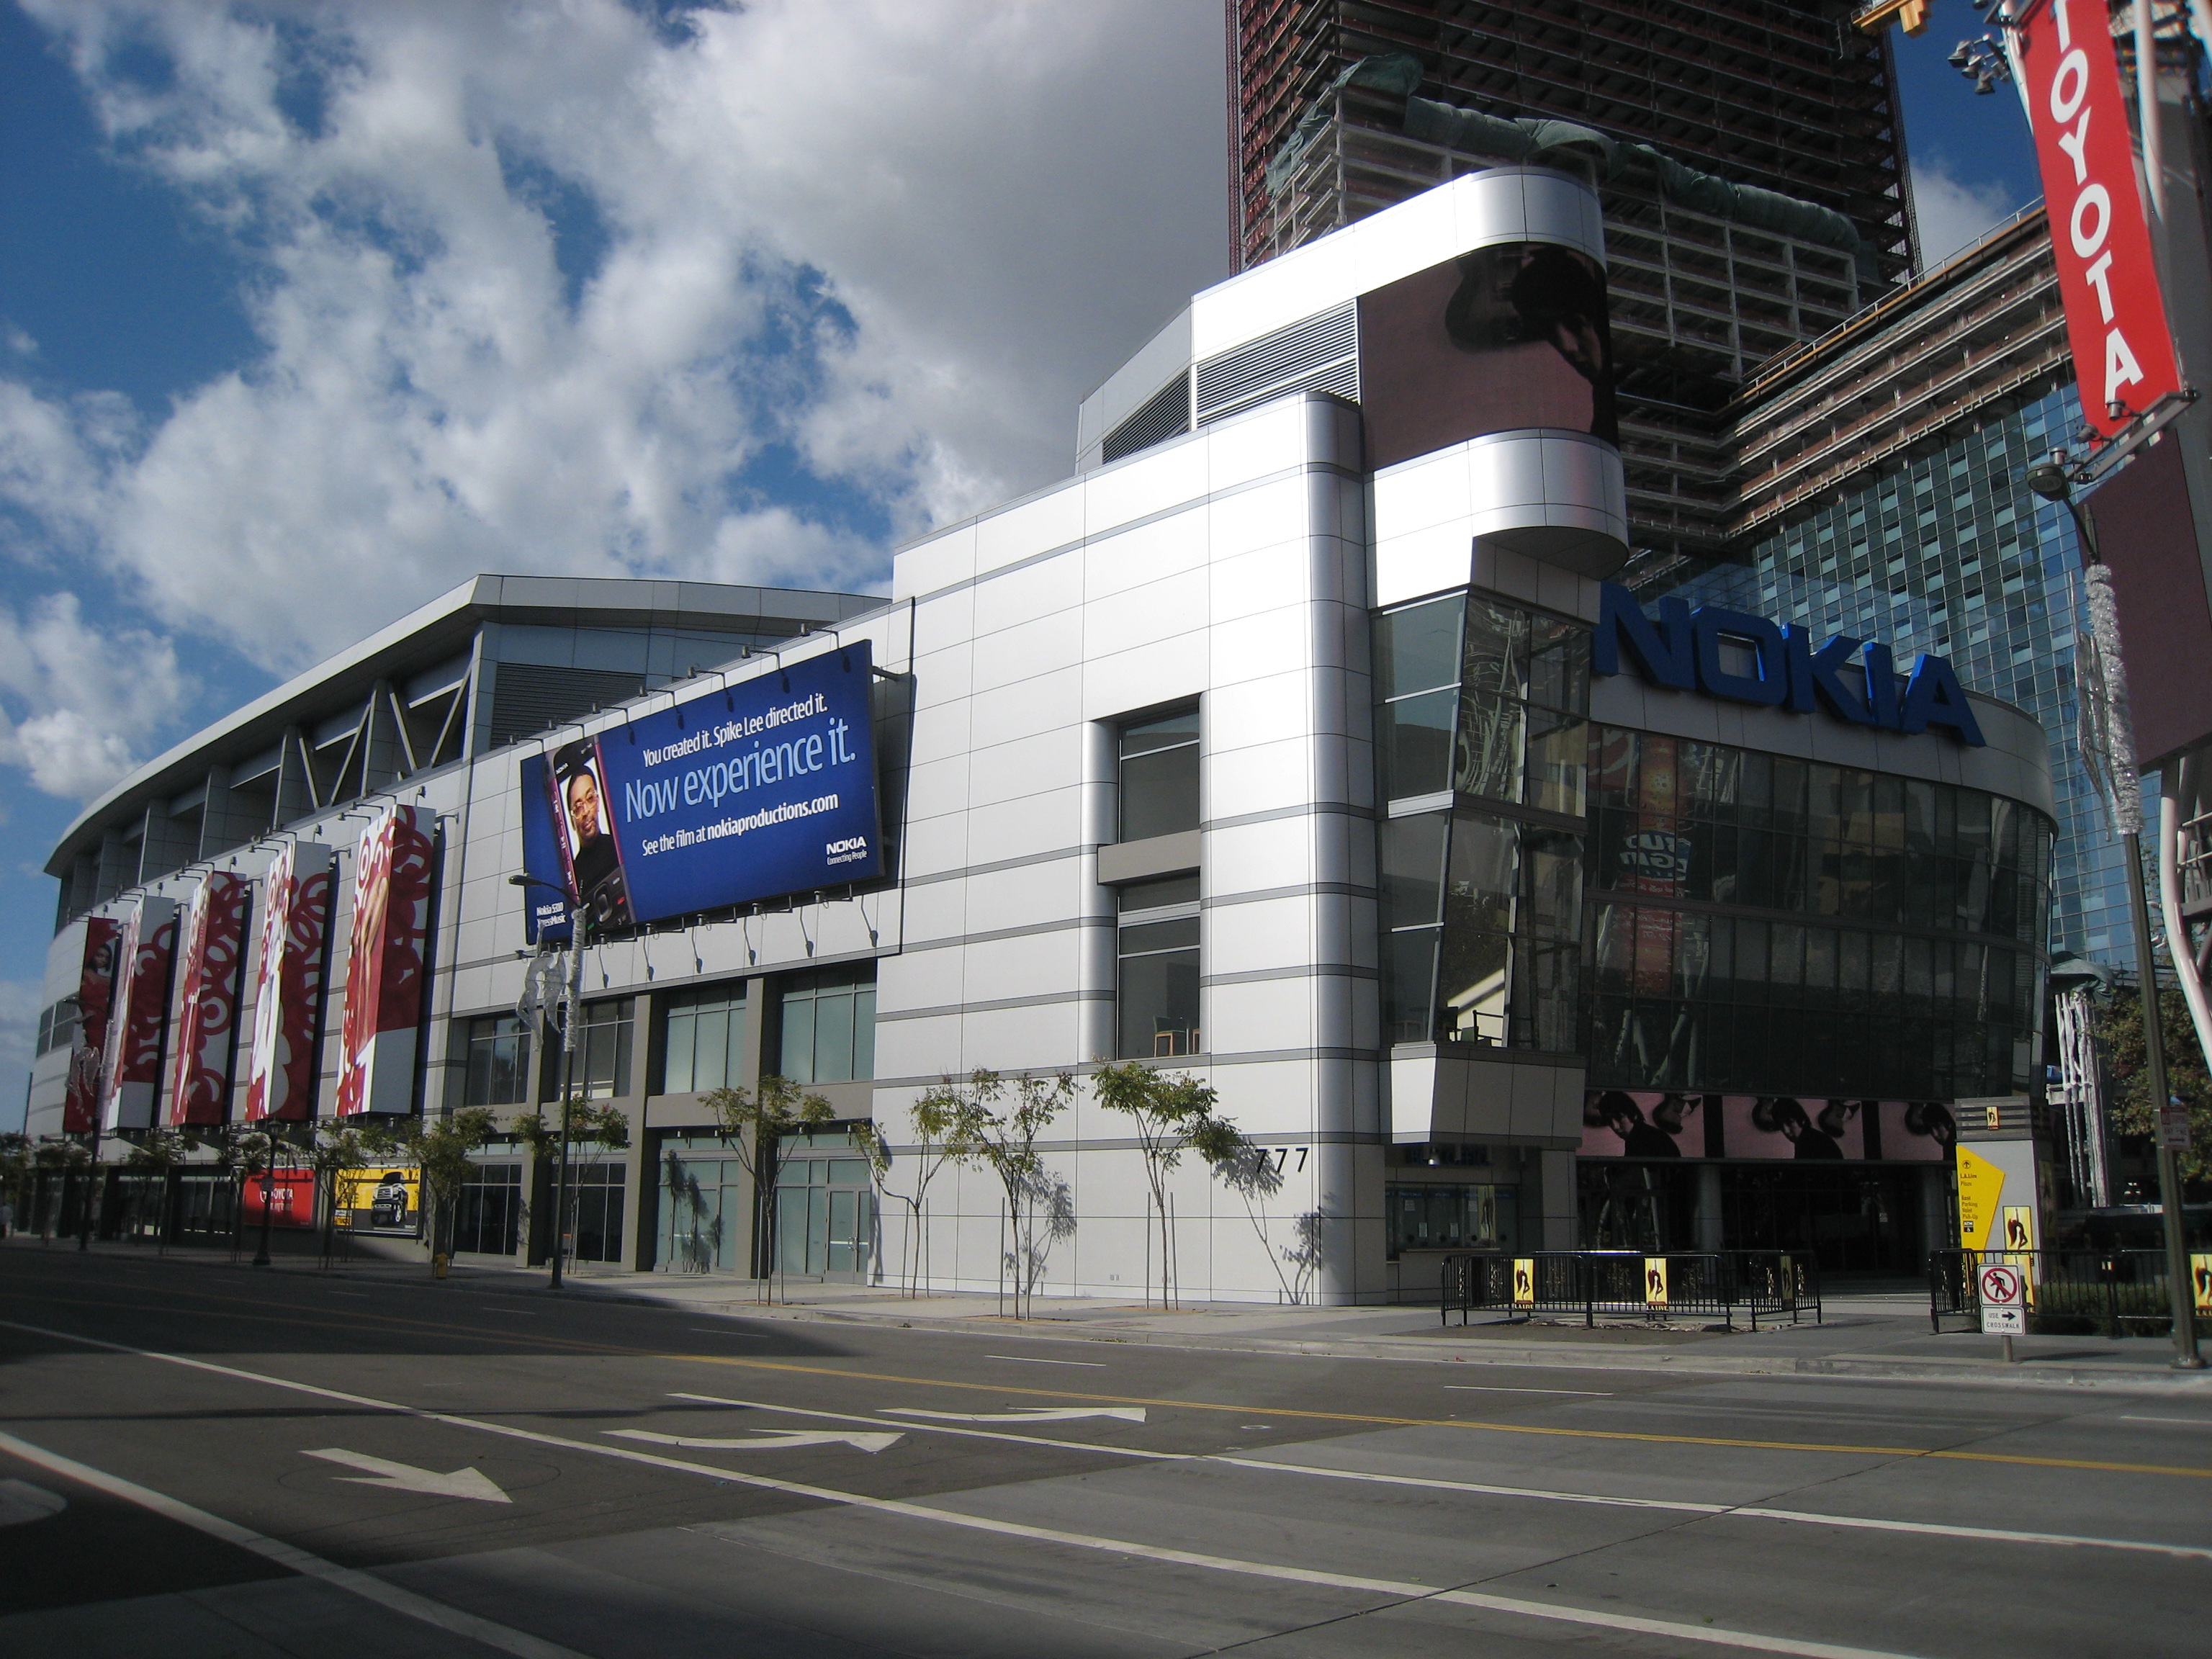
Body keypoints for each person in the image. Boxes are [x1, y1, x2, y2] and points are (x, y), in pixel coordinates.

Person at [1594, 1090, 1681, 1158]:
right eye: (1609, 1121)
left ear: (1633, 1114)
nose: (1615, 1126)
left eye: (1619, 1118)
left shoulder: (1647, 1140)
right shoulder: (1636, 1139)